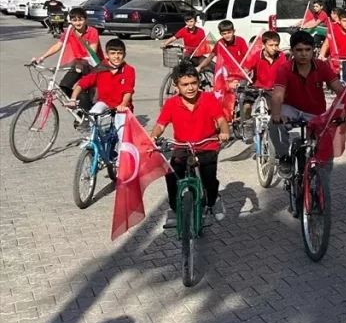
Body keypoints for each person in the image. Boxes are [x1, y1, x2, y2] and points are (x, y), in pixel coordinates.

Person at [270, 31, 346, 212]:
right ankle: (284, 158)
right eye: (299, 50)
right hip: (291, 110)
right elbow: (278, 95)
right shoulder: (284, 68)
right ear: (292, 51)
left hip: (315, 114)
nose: (303, 54)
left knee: (326, 151)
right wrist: (276, 113)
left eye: (307, 49)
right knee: (273, 125)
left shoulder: (322, 66)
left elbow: (339, 89)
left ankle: (320, 187)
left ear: (314, 50)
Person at [152, 63, 231, 227]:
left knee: (209, 179)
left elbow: (221, 120)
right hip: (182, 146)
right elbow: (161, 124)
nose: (190, 88)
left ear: (199, 82)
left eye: (194, 83)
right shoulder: (171, 103)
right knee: (172, 175)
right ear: (176, 86)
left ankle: (212, 202)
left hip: (207, 145)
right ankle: (174, 210)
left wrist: (224, 132)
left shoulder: (209, 99)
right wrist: (153, 136)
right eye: (185, 84)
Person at [66, 38, 134, 138]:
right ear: (107, 55)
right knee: (93, 115)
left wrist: (123, 105)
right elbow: (82, 83)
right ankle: (95, 142)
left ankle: (120, 151)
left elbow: (128, 90)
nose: (116, 56)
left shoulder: (129, 70)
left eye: (119, 53)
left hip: (121, 106)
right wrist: (73, 99)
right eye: (113, 53)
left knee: (121, 136)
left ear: (124, 54)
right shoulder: (101, 68)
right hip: (104, 102)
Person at [33, 6, 101, 99]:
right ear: (71, 21)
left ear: (86, 19)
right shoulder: (69, 31)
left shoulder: (92, 31)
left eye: (80, 20)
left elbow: (93, 52)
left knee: (88, 91)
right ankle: (77, 100)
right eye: (74, 20)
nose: (78, 23)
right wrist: (41, 57)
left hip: (93, 65)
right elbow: (58, 45)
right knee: (63, 87)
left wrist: (82, 62)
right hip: (77, 64)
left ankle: (84, 103)